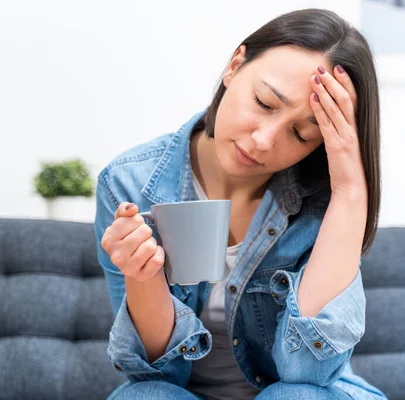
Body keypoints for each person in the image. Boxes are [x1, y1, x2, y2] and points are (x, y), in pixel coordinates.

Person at [95, 8, 387, 400]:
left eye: (301, 135)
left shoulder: (325, 202)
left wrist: (351, 193)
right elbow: (156, 373)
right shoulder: (129, 182)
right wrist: (142, 276)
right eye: (264, 103)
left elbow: (307, 372)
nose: (264, 140)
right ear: (235, 66)